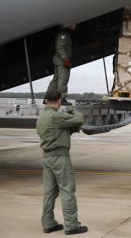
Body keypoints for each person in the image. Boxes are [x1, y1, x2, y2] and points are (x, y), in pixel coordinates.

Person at [36, 89, 88, 235]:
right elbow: (79, 119)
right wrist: (73, 110)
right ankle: (71, 225)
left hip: (46, 158)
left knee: (49, 192)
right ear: (59, 101)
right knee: (67, 190)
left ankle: (48, 223)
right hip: (60, 157)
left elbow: (54, 132)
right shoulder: (56, 117)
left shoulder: (41, 118)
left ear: (46, 100)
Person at [46, 25, 76, 106]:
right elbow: (60, 47)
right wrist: (65, 59)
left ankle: (48, 99)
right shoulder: (63, 35)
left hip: (58, 60)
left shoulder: (64, 34)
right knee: (63, 80)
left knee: (55, 80)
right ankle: (61, 99)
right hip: (62, 61)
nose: (75, 25)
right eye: (73, 24)